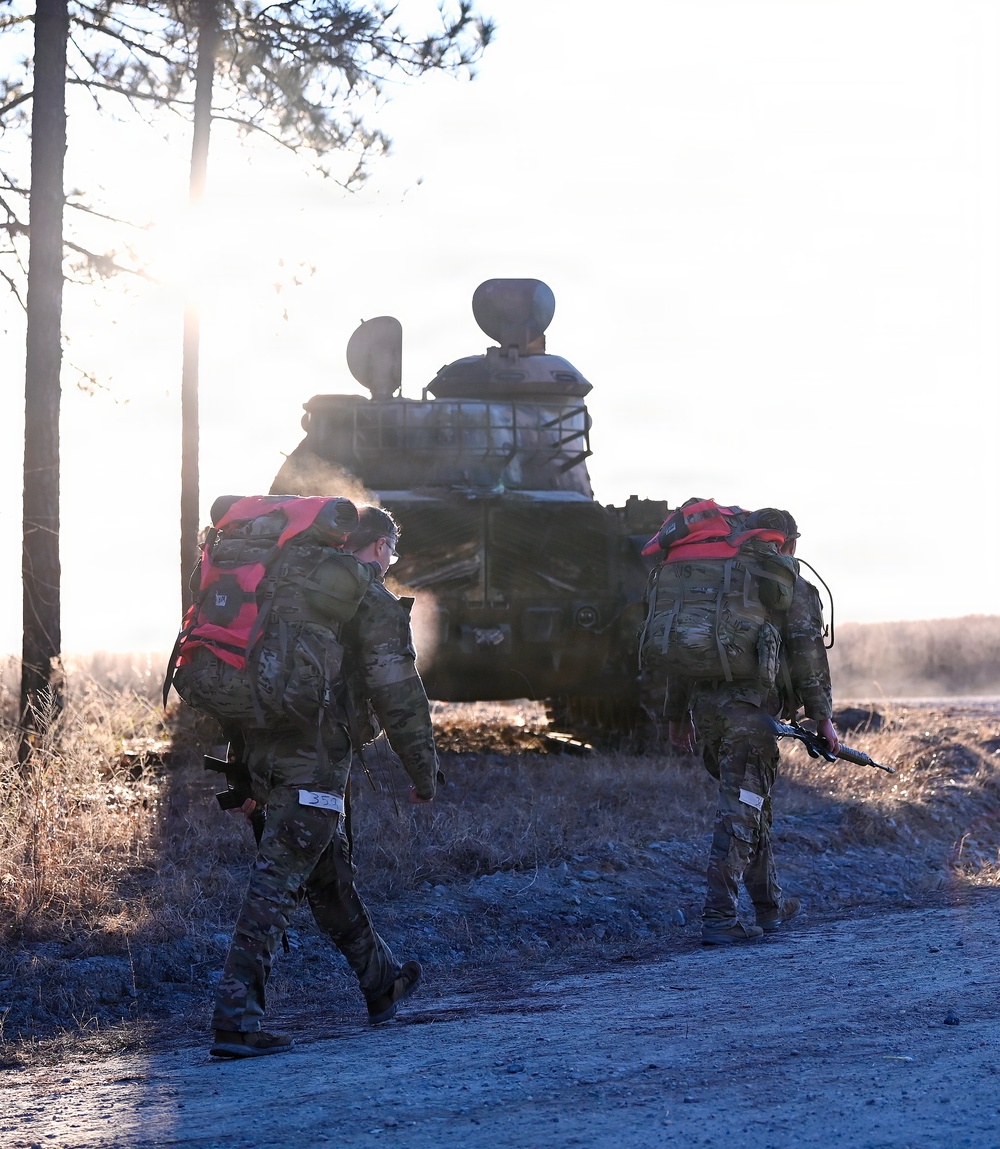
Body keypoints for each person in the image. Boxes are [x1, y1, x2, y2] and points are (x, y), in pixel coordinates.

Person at [209, 505, 440, 1058]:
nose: (389, 561)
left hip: (266, 755)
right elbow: (399, 693)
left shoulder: (282, 587)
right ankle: (236, 1023)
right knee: (277, 882)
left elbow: (244, 682)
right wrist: (424, 773)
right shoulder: (370, 599)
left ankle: (381, 983)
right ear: (381, 546)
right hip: (313, 764)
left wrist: (243, 776)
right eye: (392, 551)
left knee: (327, 875)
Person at [666, 507, 839, 946]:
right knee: (740, 813)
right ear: (788, 542)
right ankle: (720, 918)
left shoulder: (712, 584)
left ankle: (770, 906)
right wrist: (823, 719)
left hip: (708, 713)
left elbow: (680, 652)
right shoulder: (786, 583)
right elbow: (807, 655)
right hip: (752, 716)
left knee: (750, 805)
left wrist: (676, 715)